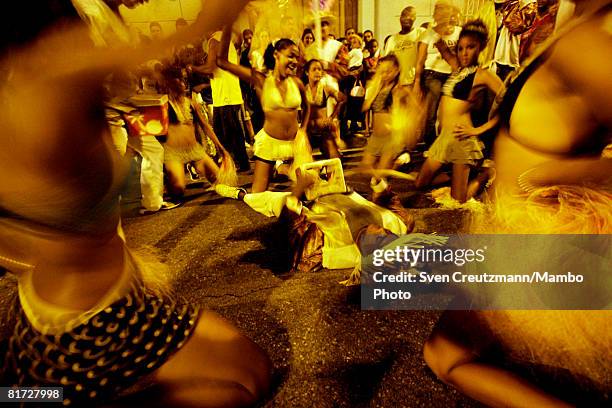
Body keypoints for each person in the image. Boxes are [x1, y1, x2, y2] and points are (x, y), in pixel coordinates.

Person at [0, 1, 272, 406]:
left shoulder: (38, 87)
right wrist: (218, 15)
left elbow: (132, 75)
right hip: (83, 329)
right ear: (51, 37)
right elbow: (178, 40)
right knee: (239, 386)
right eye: (79, 33)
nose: (90, 42)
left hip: (102, 300)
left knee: (249, 371)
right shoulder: (42, 91)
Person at [424, 1, 612, 406]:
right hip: (518, 228)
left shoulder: (591, 44)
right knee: (444, 351)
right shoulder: (581, 30)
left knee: (444, 354)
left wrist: (552, 176)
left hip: (539, 235)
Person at [415, 20, 503, 203]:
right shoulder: (456, 67)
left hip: (462, 138)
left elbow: (508, 101)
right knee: (419, 184)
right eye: (461, 48)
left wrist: (478, 130)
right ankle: (460, 177)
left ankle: (484, 175)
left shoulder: (483, 75)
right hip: (444, 138)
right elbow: (439, 43)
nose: (464, 53)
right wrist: (439, 20)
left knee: (458, 201)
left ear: (481, 47)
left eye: (470, 47)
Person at [216, 25, 311, 194]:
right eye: (291, 56)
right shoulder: (261, 80)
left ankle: (282, 171)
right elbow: (222, 62)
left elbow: (307, 106)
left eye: (297, 57)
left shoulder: (297, 83)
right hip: (270, 142)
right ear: (276, 55)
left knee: (307, 191)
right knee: (257, 195)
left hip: (295, 143)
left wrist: (303, 130)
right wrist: (228, 25)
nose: (295, 61)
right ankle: (237, 194)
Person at [414, 0, 461, 146]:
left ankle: (448, 142)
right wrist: (417, 81)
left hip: (453, 74)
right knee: (432, 109)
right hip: (433, 74)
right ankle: (430, 144)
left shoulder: (460, 32)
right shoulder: (429, 34)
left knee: (450, 110)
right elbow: (420, 60)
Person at [303, 59, 347, 159]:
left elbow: (343, 99)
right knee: (304, 163)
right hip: (308, 131)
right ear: (307, 72)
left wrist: (332, 117)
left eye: (319, 69)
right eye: (314, 69)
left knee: (335, 161)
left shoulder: (326, 88)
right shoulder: (303, 90)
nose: (318, 72)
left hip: (323, 131)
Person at [383, 6, 424, 88]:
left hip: (416, 83)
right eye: (404, 16)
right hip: (398, 85)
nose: (407, 18)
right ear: (400, 18)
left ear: (415, 18)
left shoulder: (421, 33)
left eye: (411, 16)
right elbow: (388, 62)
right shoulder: (392, 39)